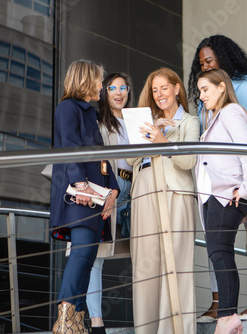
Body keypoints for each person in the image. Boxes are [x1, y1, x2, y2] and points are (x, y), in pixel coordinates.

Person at [188, 34, 247, 321]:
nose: (204, 66)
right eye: (201, 62)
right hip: (216, 183)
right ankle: (218, 303)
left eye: (209, 60)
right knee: (216, 242)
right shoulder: (204, 95)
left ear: (224, 58)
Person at [127, 67, 199, 334]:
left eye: (164, 88)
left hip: (175, 194)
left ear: (177, 89)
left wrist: (162, 142)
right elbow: (130, 160)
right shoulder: (149, 121)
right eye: (154, 90)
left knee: (176, 264)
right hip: (144, 192)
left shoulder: (189, 122)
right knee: (145, 267)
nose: (159, 95)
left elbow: (188, 161)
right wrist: (148, 136)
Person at [50, 59, 119, 334]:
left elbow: (102, 158)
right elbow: (69, 147)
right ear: (86, 81)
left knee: (88, 257)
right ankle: (65, 318)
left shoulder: (90, 113)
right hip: (80, 195)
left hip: (95, 196)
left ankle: (77, 319)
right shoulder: (68, 107)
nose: (102, 86)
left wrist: (112, 188)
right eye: (99, 81)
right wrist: (80, 184)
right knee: (80, 255)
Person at [195, 68, 247, 334]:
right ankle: (227, 315)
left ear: (222, 87)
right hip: (213, 196)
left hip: (227, 194)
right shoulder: (214, 118)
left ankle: (228, 316)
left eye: (205, 90)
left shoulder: (231, 112)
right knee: (218, 253)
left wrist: (244, 189)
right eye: (199, 91)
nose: (201, 96)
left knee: (221, 252)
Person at [85, 72, 134, 334]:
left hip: (137, 191)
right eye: (113, 87)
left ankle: (151, 314)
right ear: (104, 92)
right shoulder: (98, 121)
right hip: (109, 190)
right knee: (98, 256)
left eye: (123, 87)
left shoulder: (137, 119)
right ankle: (96, 322)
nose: (118, 92)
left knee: (144, 251)